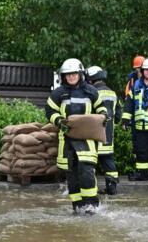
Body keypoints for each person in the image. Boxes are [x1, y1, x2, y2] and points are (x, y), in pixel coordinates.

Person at [45, 58, 108, 215]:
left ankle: (92, 204)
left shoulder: (91, 91)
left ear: (80, 74)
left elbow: (102, 108)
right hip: (67, 140)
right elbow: (50, 111)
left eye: (74, 74)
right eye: (68, 74)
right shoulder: (59, 93)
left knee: (86, 172)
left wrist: (103, 117)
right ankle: (77, 205)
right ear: (64, 76)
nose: (71, 77)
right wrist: (59, 121)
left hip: (87, 140)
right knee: (72, 175)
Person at [122, 57, 148, 181]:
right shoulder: (136, 85)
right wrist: (125, 120)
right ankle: (143, 174)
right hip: (140, 125)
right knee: (141, 151)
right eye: (146, 70)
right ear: (142, 70)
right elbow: (129, 103)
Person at [86, 65, 121, 195]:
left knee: (90, 162)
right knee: (109, 161)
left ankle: (91, 189)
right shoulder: (112, 93)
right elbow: (118, 115)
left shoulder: (91, 92)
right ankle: (112, 187)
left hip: (93, 134)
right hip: (108, 135)